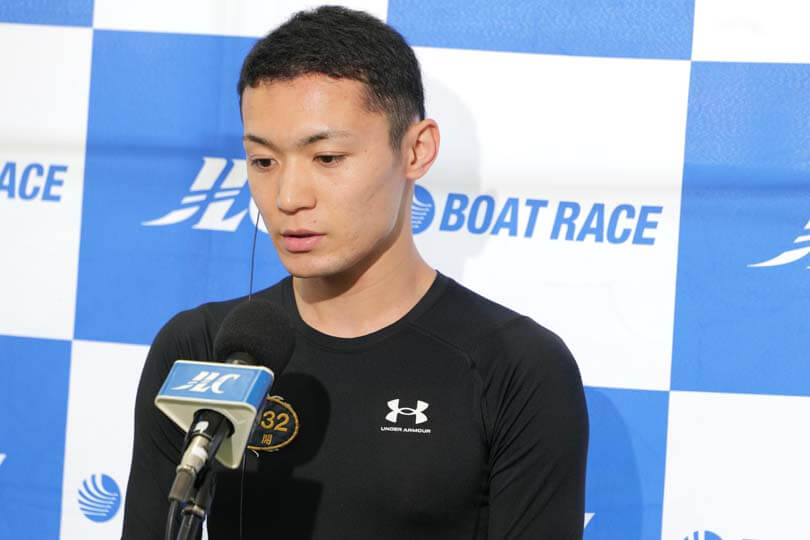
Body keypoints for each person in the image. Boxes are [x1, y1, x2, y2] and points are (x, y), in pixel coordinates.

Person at [121, 6, 588, 539]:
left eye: (327, 158)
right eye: (264, 161)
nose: (288, 198)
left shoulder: (517, 368)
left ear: (416, 150)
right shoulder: (200, 351)